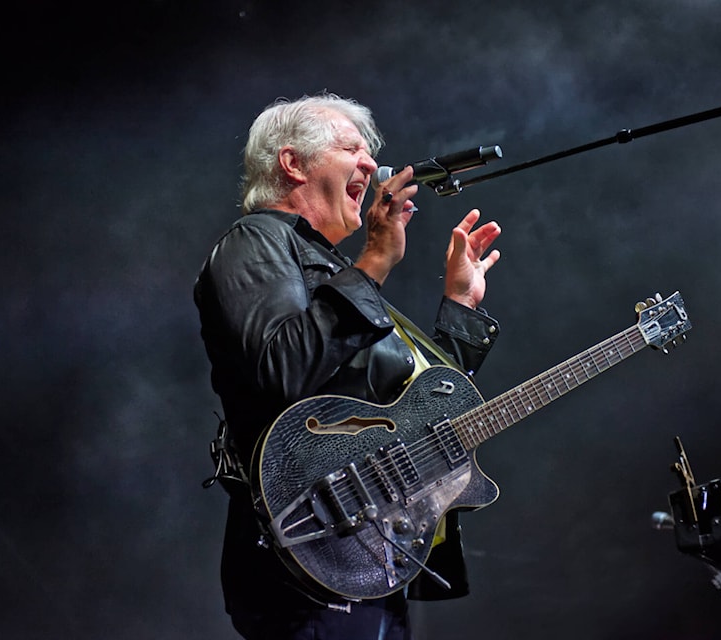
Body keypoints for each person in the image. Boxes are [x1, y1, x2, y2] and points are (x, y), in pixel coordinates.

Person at [193, 92, 503, 640]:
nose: (371, 164)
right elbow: (283, 371)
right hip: (308, 558)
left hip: (368, 557)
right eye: (351, 148)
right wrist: (376, 259)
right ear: (293, 164)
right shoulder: (257, 242)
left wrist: (460, 307)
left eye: (370, 153)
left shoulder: (336, 270)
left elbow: (417, 413)